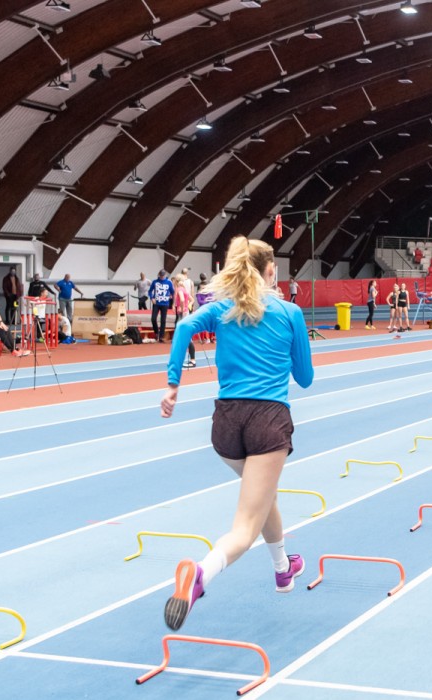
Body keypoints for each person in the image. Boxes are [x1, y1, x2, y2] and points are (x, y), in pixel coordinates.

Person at [158, 237, 314, 633]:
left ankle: (283, 569)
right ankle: (200, 574)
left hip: (225, 424)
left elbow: (183, 327)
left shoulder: (221, 309)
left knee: (261, 497)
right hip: (267, 420)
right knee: (244, 527)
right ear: (270, 270)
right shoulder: (289, 311)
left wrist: (174, 384)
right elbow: (305, 379)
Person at [173, 271, 197, 369]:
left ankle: (192, 360)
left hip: (183, 315)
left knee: (184, 337)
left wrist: (182, 309)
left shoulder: (179, 289)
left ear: (176, 281)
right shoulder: (184, 289)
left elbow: (182, 300)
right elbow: (192, 299)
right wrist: (189, 306)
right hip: (186, 313)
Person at [149, 270, 175, 343]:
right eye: (161, 276)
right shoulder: (155, 282)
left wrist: (173, 301)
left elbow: (173, 292)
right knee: (153, 319)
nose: (162, 277)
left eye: (163, 276)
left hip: (165, 304)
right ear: (159, 275)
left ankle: (161, 336)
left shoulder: (169, 282)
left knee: (163, 320)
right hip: (156, 303)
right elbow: (150, 291)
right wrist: (152, 298)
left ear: (165, 275)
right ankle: (156, 332)